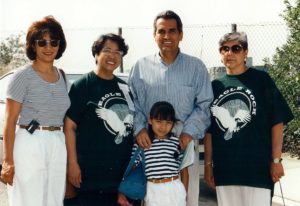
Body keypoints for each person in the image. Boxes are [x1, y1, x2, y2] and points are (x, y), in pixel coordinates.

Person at [128, 10, 213, 206]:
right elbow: (134, 105)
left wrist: (188, 132)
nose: (167, 36)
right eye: (161, 31)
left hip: (184, 144)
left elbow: (204, 104)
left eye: (172, 31)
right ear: (154, 35)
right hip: (150, 147)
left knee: (187, 199)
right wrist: (140, 128)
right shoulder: (140, 67)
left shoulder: (196, 67)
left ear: (181, 35)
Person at [204, 31, 294, 206]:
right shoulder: (215, 86)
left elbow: (277, 122)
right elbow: (209, 132)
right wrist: (208, 166)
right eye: (224, 49)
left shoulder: (262, 80)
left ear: (245, 52)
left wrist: (276, 161)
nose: (229, 53)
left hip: (257, 171)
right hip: (226, 171)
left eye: (236, 48)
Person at [0, 16, 69, 206]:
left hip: (57, 141)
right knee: (29, 200)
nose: (48, 47)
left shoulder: (62, 76)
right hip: (30, 142)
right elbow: (10, 120)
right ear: (33, 45)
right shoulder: (22, 76)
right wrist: (7, 162)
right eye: (42, 42)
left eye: (54, 42)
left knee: (54, 200)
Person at [64, 33, 137, 206]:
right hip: (90, 175)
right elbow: (69, 126)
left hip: (120, 175)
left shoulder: (125, 87)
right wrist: (72, 164)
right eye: (107, 50)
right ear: (96, 54)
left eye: (118, 52)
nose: (113, 56)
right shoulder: (83, 85)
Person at [118, 101, 189, 206]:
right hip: (152, 189)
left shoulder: (177, 142)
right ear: (150, 120)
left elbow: (184, 170)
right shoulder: (143, 142)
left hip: (175, 188)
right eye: (159, 121)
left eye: (168, 123)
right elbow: (132, 167)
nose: (163, 127)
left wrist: (185, 194)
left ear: (173, 123)